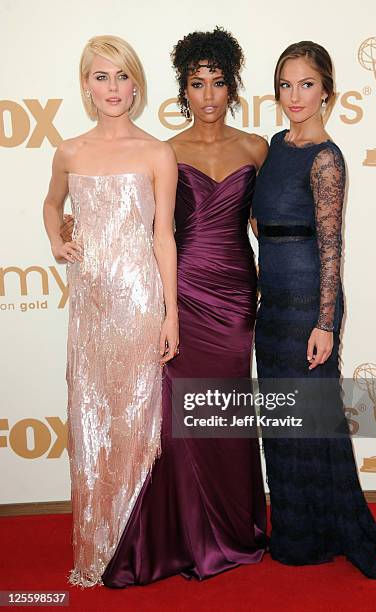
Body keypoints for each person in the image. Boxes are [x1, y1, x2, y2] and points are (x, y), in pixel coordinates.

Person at [101, 27, 268, 587]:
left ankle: (235, 527)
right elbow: (148, 229)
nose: (209, 95)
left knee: (228, 407)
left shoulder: (255, 148)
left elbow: (264, 224)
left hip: (238, 292)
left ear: (232, 86)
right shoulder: (165, 150)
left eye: (219, 83)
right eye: (198, 84)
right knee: (181, 418)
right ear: (183, 89)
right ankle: (189, 533)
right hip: (185, 291)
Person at [252, 41, 376, 580]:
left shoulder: (326, 156)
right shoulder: (275, 145)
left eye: (307, 85)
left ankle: (314, 534)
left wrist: (325, 322)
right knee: (283, 419)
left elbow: (331, 246)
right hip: (270, 304)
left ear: (327, 92)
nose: (295, 96)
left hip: (305, 307)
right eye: (286, 85)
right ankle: (296, 526)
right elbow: (263, 218)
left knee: (308, 419)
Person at [43, 35, 178, 587]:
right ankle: (95, 544)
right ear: (85, 85)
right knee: (92, 421)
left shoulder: (156, 152)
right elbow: (52, 204)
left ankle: (133, 546)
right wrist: (56, 240)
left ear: (137, 85)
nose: (112, 88)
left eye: (122, 77)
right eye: (101, 77)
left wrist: (170, 313)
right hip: (90, 310)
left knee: (137, 423)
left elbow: (164, 236)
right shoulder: (69, 151)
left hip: (141, 302)